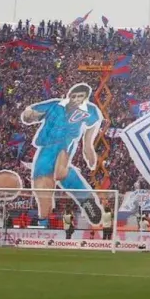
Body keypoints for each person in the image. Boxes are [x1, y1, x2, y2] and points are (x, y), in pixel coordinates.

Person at [21, 83, 104, 227]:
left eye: (80, 97)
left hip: (65, 145)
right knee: (40, 184)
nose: (76, 99)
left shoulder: (90, 111)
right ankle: (43, 221)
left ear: (85, 98)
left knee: (59, 173)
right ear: (69, 95)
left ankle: (86, 199)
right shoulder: (55, 105)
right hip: (46, 146)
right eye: (74, 96)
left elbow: (89, 134)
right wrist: (28, 115)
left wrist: (88, 150)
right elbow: (31, 115)